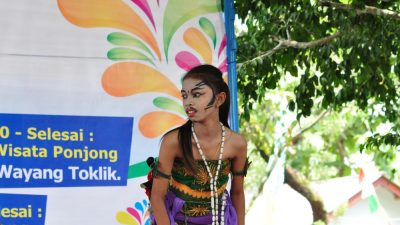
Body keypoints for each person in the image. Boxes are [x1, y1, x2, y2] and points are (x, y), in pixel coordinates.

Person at [150, 64, 248, 225]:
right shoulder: (173, 142)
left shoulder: (237, 144)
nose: (188, 102)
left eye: (196, 94)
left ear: (219, 99)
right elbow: (157, 197)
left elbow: (237, 193)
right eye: (184, 96)